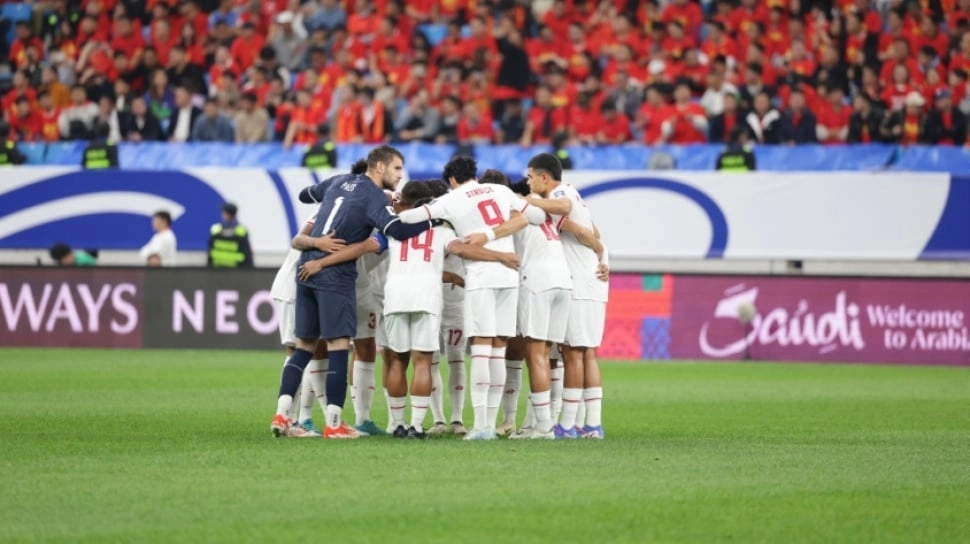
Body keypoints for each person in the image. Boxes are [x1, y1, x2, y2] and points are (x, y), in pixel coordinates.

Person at [270, 145, 434, 439]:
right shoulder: (373, 196)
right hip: (334, 276)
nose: (400, 175)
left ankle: (282, 416)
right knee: (338, 347)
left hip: (305, 269)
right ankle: (335, 423)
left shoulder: (338, 181)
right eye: (397, 168)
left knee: (304, 346)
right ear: (380, 167)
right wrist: (432, 220)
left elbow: (305, 194)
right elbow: (396, 230)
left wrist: (317, 240)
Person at [396, 155, 545, 440]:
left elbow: (412, 217)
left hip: (480, 276)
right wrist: (498, 228)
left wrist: (394, 210)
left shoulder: (452, 199)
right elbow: (534, 217)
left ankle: (481, 426)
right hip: (509, 275)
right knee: (499, 348)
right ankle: (491, 421)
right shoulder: (500, 190)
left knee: (481, 346)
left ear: (451, 179)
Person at [383, 181, 519, 439]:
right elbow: (463, 249)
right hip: (426, 297)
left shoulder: (392, 229)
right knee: (423, 362)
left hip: (395, 296)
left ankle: (397, 424)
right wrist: (502, 256)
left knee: (397, 361)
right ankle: (416, 426)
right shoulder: (443, 233)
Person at [520, 153, 609, 439]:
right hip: (591, 278)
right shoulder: (574, 193)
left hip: (581, 281)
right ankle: (592, 424)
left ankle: (568, 425)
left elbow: (566, 210)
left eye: (531, 176)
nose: (528, 182)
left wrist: (528, 201)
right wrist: (600, 253)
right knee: (586, 353)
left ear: (544, 178)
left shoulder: (561, 193)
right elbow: (596, 233)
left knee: (573, 352)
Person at [207, 202, 253, 268]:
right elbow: (247, 255)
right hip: (236, 271)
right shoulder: (241, 232)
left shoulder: (216, 230)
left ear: (227, 214)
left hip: (218, 270)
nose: (222, 215)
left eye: (223, 213)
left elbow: (210, 254)